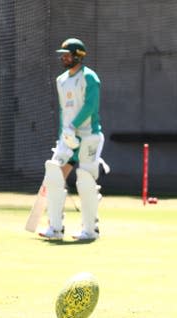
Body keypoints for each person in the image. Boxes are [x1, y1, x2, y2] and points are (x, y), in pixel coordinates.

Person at [39, 38, 107, 241]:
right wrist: (64, 133)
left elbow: (90, 107)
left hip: (88, 135)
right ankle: (56, 227)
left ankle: (90, 229)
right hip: (67, 137)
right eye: (63, 54)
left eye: (67, 54)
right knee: (54, 174)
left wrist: (73, 127)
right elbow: (63, 111)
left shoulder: (89, 77)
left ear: (79, 56)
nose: (64, 58)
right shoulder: (61, 80)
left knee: (85, 178)